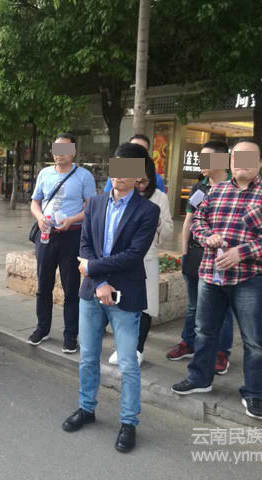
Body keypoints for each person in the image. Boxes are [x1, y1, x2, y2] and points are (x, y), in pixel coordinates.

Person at [171, 138, 262, 421]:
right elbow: (198, 221)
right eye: (237, 157)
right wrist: (207, 237)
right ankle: (200, 378)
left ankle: (254, 394)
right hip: (211, 275)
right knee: (204, 332)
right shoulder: (216, 191)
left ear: (261, 162)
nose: (242, 163)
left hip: (250, 278)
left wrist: (241, 252)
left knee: (254, 340)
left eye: (249, 157)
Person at [61, 142, 159, 453]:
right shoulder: (95, 203)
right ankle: (87, 408)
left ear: (139, 174)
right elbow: (85, 245)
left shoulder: (148, 210)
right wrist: (99, 281)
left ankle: (129, 422)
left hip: (126, 294)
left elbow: (133, 255)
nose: (120, 174)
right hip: (92, 292)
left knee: (128, 364)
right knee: (88, 356)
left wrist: (92, 269)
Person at [166, 140, 234, 376]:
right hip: (196, 253)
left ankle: (221, 352)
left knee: (223, 308)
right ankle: (189, 342)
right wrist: (184, 250)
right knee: (194, 304)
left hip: (222, 255)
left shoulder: (234, 186)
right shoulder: (199, 188)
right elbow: (189, 220)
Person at [29, 132, 97, 354]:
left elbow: (91, 208)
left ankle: (70, 335)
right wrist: (40, 218)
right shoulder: (44, 173)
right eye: (56, 150)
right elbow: (35, 203)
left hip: (72, 236)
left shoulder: (84, 176)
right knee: (43, 285)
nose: (60, 154)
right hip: (46, 236)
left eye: (65, 150)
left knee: (71, 288)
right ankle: (42, 328)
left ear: (73, 152)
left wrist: (71, 220)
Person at [108, 150, 173, 367]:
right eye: (138, 180)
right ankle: (121, 347)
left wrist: (156, 220)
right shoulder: (123, 195)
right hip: (121, 257)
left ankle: (138, 349)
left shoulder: (160, 197)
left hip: (146, 259)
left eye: (145, 180)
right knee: (121, 304)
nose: (141, 184)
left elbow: (168, 231)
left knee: (145, 305)